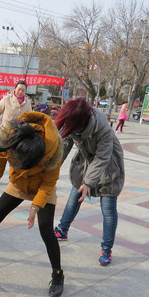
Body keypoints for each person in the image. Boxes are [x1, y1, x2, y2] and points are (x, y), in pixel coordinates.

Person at [0, 112, 65, 297]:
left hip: (42, 186)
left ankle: (58, 274)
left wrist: (35, 207)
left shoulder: (53, 150)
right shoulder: (9, 139)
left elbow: (49, 184)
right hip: (18, 183)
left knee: (45, 228)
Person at [53, 98, 125, 267]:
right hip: (85, 162)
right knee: (74, 197)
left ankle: (107, 248)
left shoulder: (103, 128)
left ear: (83, 123)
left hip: (108, 165)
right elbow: (63, 145)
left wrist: (87, 183)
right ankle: (63, 230)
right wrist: (51, 169)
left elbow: (102, 157)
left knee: (108, 208)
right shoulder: (73, 122)